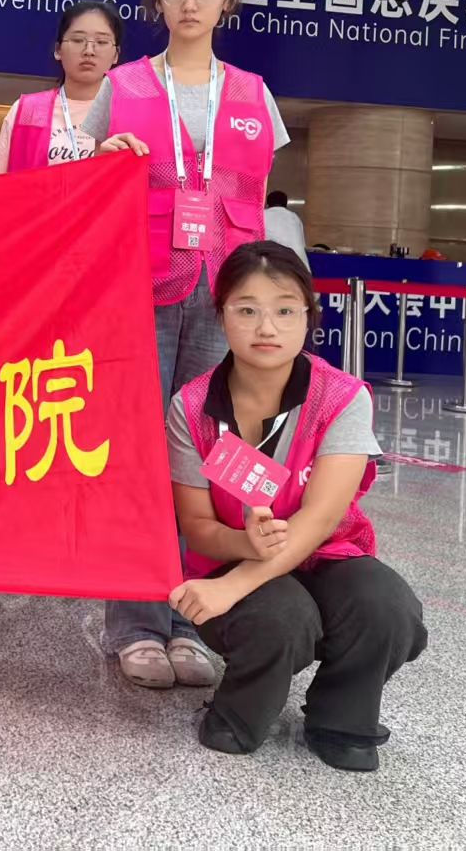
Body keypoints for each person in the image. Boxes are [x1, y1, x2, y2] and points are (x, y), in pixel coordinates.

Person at [81, 0, 289, 690]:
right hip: (141, 286)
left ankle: (190, 618)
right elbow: (86, 186)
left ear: (227, 0)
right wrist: (104, 159)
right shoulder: (123, 86)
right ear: (158, 1)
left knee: (206, 453)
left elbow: (258, 200)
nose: (189, 1)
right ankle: (135, 623)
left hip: (225, 295)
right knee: (138, 449)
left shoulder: (255, 95)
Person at [168, 241, 426, 770]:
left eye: (285, 310)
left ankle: (342, 718)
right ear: (221, 314)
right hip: (230, 558)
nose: (267, 327)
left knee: (386, 608)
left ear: (309, 316)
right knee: (280, 619)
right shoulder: (192, 407)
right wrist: (243, 544)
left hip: (323, 552)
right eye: (246, 310)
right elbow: (195, 525)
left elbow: (321, 518)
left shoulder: (341, 398)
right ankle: (240, 712)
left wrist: (232, 588)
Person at [0, 0, 122, 173]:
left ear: (116, 55)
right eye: (78, 40)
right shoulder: (27, 110)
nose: (89, 51)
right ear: (58, 50)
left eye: (102, 42)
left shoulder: (128, 114)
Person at [264, 190, 308, 266]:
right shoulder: (295, 217)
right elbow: (302, 244)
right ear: (286, 204)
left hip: (276, 263)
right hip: (300, 264)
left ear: (267, 204)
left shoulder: (262, 215)